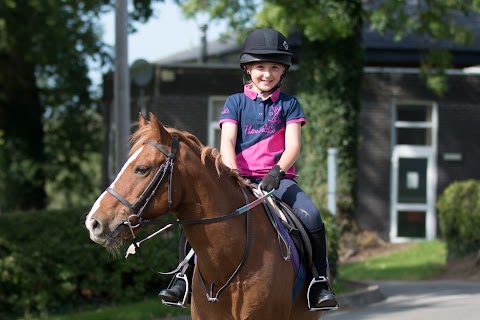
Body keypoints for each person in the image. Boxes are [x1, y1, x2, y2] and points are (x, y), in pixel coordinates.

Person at [159, 28, 338, 311]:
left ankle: (318, 282)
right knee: (194, 216)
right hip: (237, 178)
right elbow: (227, 141)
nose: (266, 74)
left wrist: (277, 171)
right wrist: (233, 175)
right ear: (248, 69)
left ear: (283, 71)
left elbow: (293, 146)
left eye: (274, 68)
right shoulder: (235, 103)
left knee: (312, 216)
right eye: (260, 67)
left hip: (277, 180)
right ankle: (182, 277)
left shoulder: (290, 105)